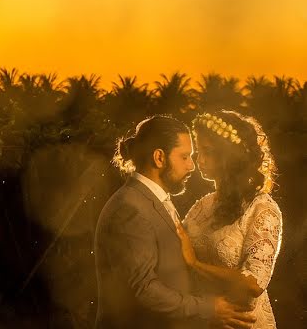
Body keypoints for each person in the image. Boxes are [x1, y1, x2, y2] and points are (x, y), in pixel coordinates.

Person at [94, 115, 256, 329]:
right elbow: (144, 289)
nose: (191, 166)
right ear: (159, 158)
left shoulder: (153, 199)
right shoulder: (129, 208)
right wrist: (208, 309)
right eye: (184, 157)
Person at [177, 111, 283, 328]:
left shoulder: (262, 209)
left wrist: (195, 264)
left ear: (230, 155)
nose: (199, 160)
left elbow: (253, 285)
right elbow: (178, 246)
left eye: (209, 152)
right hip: (208, 319)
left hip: (244, 323)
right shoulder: (202, 206)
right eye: (199, 151)